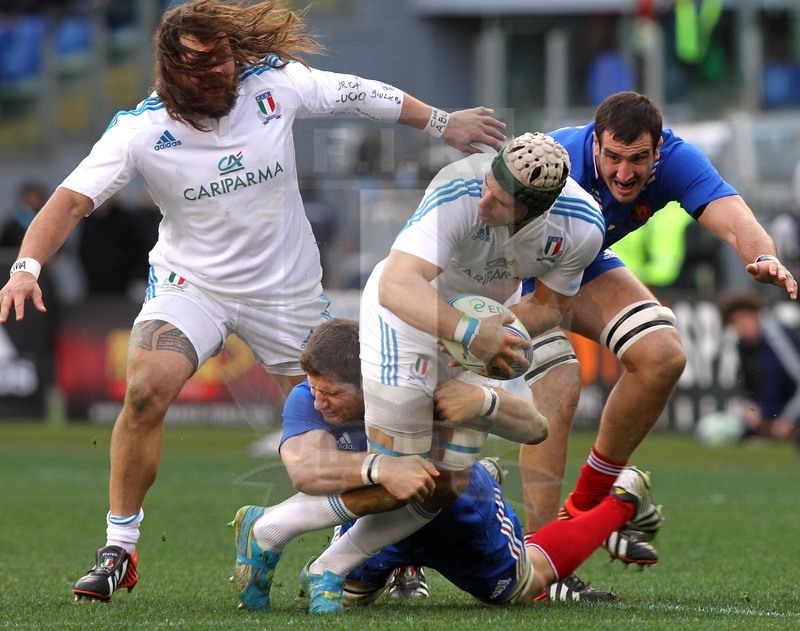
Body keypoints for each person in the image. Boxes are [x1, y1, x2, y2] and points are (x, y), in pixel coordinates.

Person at [0, 0, 507, 603]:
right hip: (194, 286)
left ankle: (387, 553)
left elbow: (357, 93)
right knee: (145, 386)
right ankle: (119, 548)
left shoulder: (272, 83)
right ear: (171, 70)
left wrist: (441, 122)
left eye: (224, 61)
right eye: (204, 67)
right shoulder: (139, 131)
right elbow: (68, 201)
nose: (221, 75)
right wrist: (26, 267)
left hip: (287, 295)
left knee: (366, 414)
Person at [299, 131, 607, 613]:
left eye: (501, 202)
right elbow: (398, 284)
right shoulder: (458, 188)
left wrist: (500, 332)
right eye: (489, 184)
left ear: (535, 212)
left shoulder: (583, 225)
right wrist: (470, 333)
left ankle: (327, 565)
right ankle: (275, 530)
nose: (485, 200)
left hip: (481, 320)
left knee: (447, 482)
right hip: (406, 310)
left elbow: (550, 306)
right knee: (399, 475)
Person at [517, 91, 798, 569]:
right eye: (613, 158)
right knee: (556, 389)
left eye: (639, 159)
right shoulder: (554, 164)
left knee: (661, 354)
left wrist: (763, 254)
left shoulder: (677, 159)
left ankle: (584, 509)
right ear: (595, 144)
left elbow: (736, 220)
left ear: (658, 151)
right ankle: (532, 562)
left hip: (577, 265)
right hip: (507, 274)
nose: (625, 174)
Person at [230, 318, 606, 612]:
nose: (318, 402)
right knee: (352, 593)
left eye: (331, 393)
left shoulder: (422, 389)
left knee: (519, 591)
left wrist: (483, 401)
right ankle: (320, 556)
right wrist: (381, 467)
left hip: (458, 515)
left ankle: (622, 501)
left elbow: (537, 428)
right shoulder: (309, 395)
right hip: (373, 519)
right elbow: (305, 470)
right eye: (314, 388)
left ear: (368, 383)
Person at [718, 290, 800, 447]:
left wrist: (788, 419)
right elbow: (748, 386)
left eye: (745, 318)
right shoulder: (742, 345)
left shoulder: (777, 336)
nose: (742, 326)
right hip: (771, 414)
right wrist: (750, 406)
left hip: (792, 410)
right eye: (736, 322)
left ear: (756, 315)